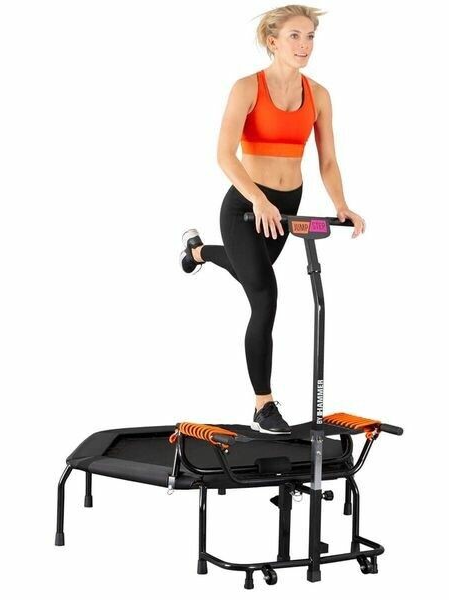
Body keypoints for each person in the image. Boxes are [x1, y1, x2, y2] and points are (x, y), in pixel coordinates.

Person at [180, 5, 366, 434]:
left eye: (310, 36)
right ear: (273, 41)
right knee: (264, 295)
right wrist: (260, 199)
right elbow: (224, 154)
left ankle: (198, 252)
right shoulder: (247, 87)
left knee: (252, 274)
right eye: (295, 36)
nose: (304, 45)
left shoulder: (319, 95)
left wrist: (341, 204)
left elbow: (328, 160)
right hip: (246, 207)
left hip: (286, 208)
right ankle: (263, 406)